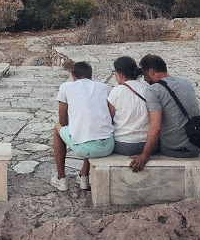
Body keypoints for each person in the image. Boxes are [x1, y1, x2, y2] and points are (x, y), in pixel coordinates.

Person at [130, 54, 200, 173]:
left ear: (152, 72)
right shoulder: (186, 82)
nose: (144, 79)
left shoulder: (154, 90)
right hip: (196, 146)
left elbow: (156, 127)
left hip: (174, 149)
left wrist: (144, 156)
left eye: (144, 75)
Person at [51, 61, 114, 192]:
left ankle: (61, 178)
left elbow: (62, 121)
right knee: (90, 128)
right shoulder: (104, 87)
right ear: (90, 76)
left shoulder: (66, 87)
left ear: (73, 76)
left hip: (86, 148)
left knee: (58, 128)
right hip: (108, 145)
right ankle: (84, 177)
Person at [108, 56, 156, 156]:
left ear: (120, 74)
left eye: (114, 72)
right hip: (149, 144)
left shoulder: (116, 91)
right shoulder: (147, 89)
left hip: (125, 145)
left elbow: (110, 117)